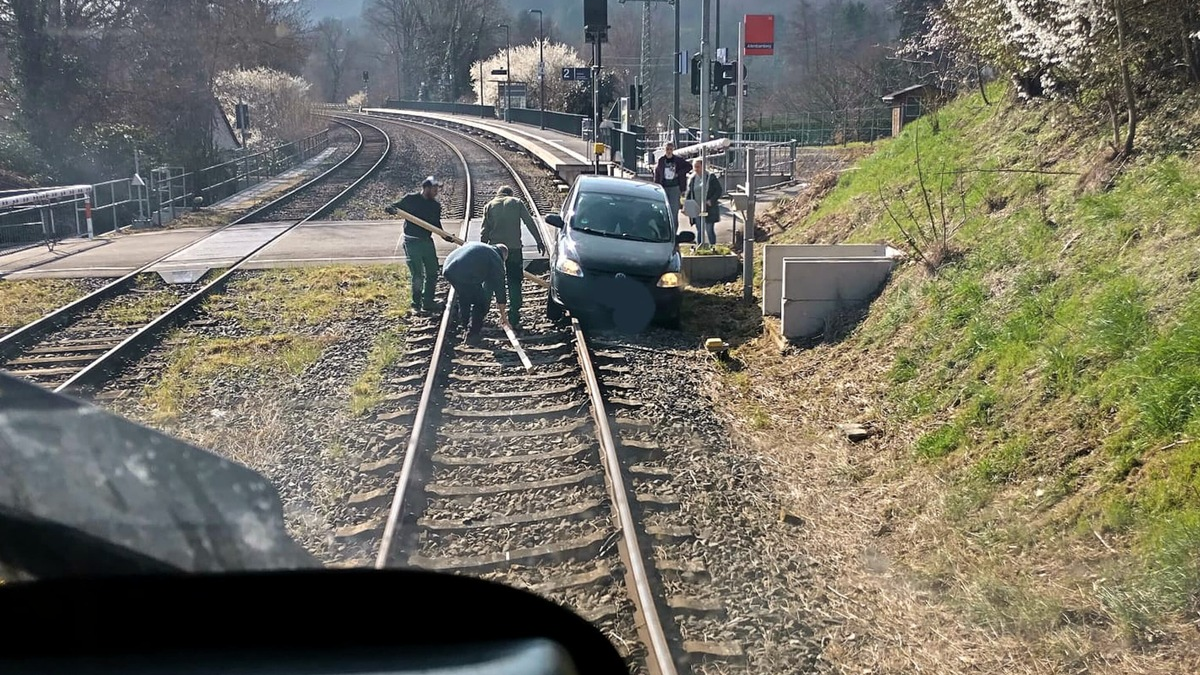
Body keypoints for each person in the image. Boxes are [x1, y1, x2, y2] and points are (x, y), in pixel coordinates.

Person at [386, 176, 455, 315]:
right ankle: (416, 304)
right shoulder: (410, 199)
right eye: (434, 189)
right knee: (417, 275)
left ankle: (428, 302)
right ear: (426, 188)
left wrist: (446, 236)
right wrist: (391, 209)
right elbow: (393, 206)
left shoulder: (435, 206)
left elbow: (436, 226)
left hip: (426, 241)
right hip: (411, 242)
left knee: (432, 271)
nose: (436, 192)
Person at [479, 186, 546, 329]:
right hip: (514, 249)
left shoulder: (489, 205)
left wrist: (481, 251)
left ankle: (480, 314)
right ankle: (514, 316)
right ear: (510, 194)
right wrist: (539, 241)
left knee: (489, 282)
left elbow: (484, 232)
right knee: (514, 281)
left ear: (498, 194)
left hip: (494, 251)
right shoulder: (516, 202)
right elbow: (529, 222)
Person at [443, 242, 510, 346]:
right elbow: (500, 288)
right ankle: (473, 335)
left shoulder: (482, 247)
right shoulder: (496, 258)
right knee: (481, 303)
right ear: (503, 256)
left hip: (448, 268)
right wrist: (503, 316)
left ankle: (465, 326)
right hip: (464, 272)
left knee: (465, 297)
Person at [653, 143, 692, 232]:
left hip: (675, 188)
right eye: (667, 149)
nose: (669, 151)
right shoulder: (661, 160)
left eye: (670, 149)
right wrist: (656, 186)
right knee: (663, 210)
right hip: (664, 188)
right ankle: (665, 231)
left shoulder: (678, 160)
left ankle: (674, 232)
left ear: (673, 150)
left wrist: (678, 174)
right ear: (665, 150)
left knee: (674, 211)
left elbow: (689, 166)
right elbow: (658, 173)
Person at [685, 158, 723, 247]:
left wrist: (711, 200)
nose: (696, 169)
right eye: (694, 167)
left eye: (698, 167)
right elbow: (689, 192)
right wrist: (686, 206)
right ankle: (700, 247)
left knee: (709, 229)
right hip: (697, 208)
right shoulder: (693, 178)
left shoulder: (710, 177)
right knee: (699, 229)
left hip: (708, 208)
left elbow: (718, 190)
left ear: (703, 167)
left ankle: (712, 247)